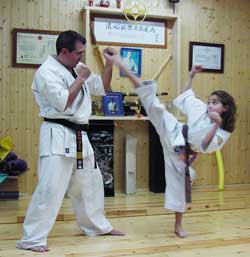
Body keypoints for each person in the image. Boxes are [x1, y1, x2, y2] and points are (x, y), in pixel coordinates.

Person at [16, 30, 124, 253]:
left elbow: (102, 88)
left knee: (90, 185)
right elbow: (63, 102)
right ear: (64, 51)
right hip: (57, 134)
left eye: (83, 53)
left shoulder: (74, 67)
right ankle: (32, 239)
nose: (81, 58)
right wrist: (81, 78)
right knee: (50, 188)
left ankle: (96, 226)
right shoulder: (46, 72)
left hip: (80, 136)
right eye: (78, 53)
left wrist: (109, 64)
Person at [112, 56, 236, 238]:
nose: (209, 105)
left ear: (225, 108)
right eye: (209, 101)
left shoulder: (223, 132)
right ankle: (123, 66)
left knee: (178, 188)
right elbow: (186, 96)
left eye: (214, 103)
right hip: (175, 131)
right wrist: (191, 75)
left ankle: (178, 226)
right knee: (154, 105)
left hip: (183, 153)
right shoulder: (202, 109)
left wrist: (216, 125)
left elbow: (204, 145)